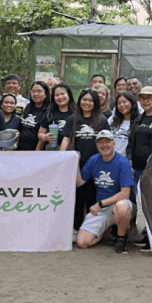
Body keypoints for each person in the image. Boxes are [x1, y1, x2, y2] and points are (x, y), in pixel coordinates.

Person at [75, 130, 135, 253]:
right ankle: (102, 232)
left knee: (121, 206)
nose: (104, 145)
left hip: (119, 205)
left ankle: (121, 239)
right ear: (97, 146)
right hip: (102, 210)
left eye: (107, 141)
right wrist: (75, 162)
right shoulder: (93, 160)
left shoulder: (123, 162)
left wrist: (100, 204)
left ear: (114, 144)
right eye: (100, 142)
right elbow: (79, 182)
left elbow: (125, 194)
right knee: (82, 243)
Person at [60, 88, 112, 232]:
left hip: (96, 164)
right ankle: (75, 229)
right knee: (76, 199)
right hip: (76, 165)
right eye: (84, 100)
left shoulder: (101, 120)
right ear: (79, 101)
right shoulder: (72, 119)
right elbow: (65, 139)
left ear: (95, 103)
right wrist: (61, 157)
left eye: (90, 100)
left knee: (92, 197)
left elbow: (107, 143)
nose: (87, 103)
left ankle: (91, 230)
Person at [127, 86, 152, 182]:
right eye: (142, 98)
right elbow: (131, 142)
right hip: (137, 169)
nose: (145, 101)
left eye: (149, 98)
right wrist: (129, 161)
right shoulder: (137, 120)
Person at [38, 83, 75, 151]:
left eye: (62, 94)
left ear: (69, 94)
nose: (60, 97)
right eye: (57, 95)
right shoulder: (49, 114)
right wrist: (44, 137)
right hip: (52, 150)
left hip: (71, 150)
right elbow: (40, 133)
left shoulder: (76, 112)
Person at [17, 82, 50, 151]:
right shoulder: (28, 107)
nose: (36, 94)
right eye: (33, 91)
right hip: (21, 148)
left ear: (46, 94)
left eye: (39, 91)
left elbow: (42, 138)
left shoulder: (48, 111)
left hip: (35, 151)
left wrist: (36, 153)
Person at [109, 91, 139, 156]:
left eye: (124, 102)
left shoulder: (139, 121)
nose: (122, 105)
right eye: (119, 103)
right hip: (111, 158)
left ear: (132, 102)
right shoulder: (111, 120)